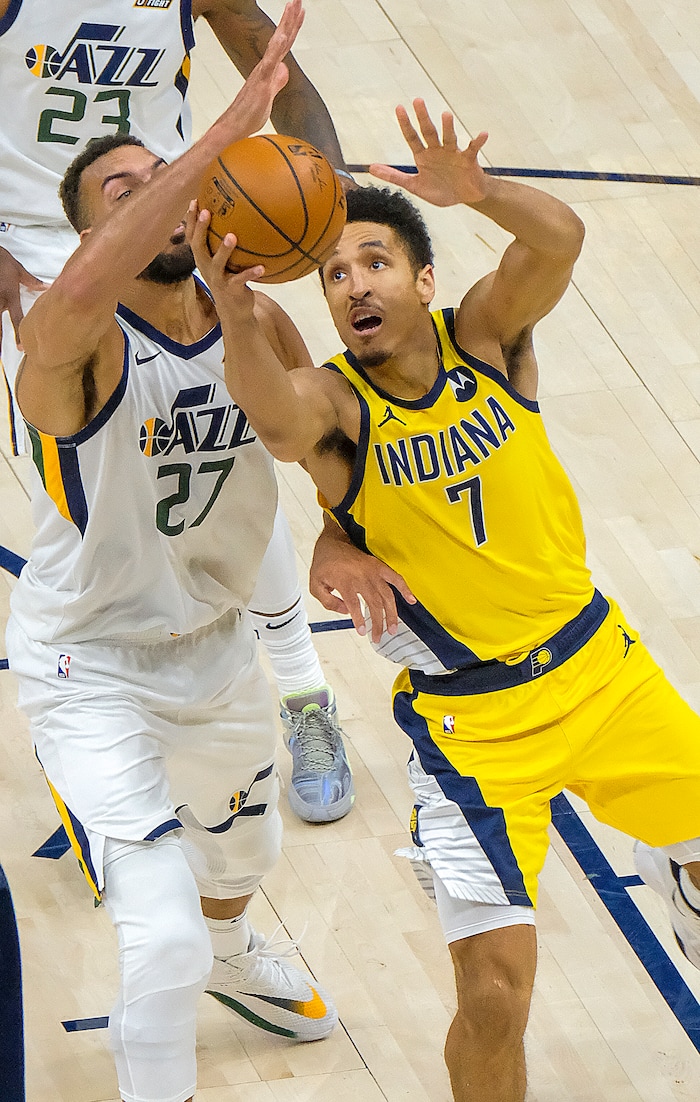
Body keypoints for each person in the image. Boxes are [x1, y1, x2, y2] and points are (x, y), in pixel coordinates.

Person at [188, 98, 700, 1102]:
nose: (352, 287)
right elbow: (280, 426)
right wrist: (235, 301)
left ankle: (679, 876)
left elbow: (561, 241)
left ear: (423, 279)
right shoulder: (339, 405)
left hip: (602, 673)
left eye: (373, 263)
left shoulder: (486, 340)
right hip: (474, 732)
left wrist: (480, 192)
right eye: (334, 275)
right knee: (498, 997)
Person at [6, 8, 338, 1102]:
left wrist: (346, 534)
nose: (155, 192)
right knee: (158, 936)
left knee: (240, 869)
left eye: (165, 178)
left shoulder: (257, 324)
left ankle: (240, 956)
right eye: (123, 187)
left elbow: (308, 443)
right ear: (88, 233)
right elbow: (83, 283)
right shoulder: (67, 343)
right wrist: (212, 138)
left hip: (217, 650)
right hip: (89, 664)